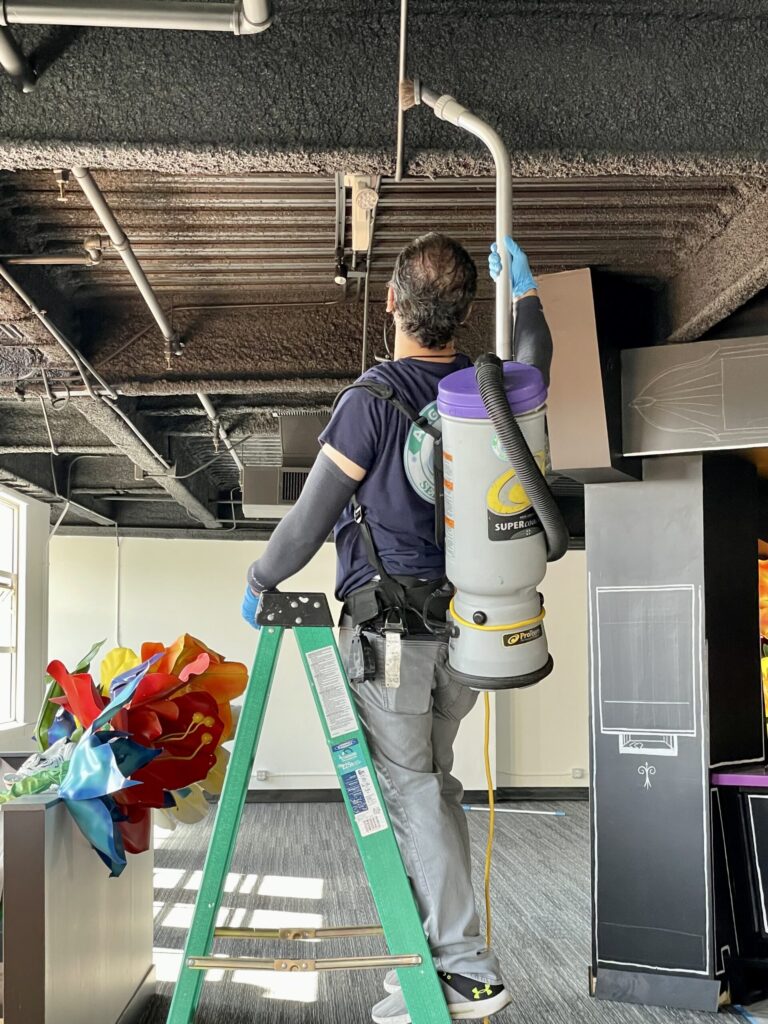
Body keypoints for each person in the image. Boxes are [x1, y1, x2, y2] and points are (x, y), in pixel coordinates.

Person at [242, 232, 553, 1023]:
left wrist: (259, 580)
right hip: (470, 637)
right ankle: (424, 964)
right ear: (464, 314)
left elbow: (309, 521)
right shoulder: (487, 397)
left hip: (392, 645)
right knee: (429, 790)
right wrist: (533, 296)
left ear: (390, 303)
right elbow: (535, 361)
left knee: (411, 795)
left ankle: (464, 970)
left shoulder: (372, 402)